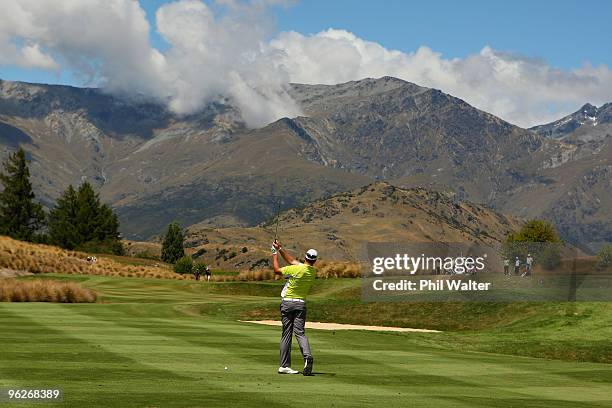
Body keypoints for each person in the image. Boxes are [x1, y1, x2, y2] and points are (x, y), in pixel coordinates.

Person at [272, 240, 317, 376]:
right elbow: (292, 261)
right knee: (300, 333)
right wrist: (280, 248)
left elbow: (277, 271)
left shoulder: (296, 269)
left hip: (287, 303)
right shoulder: (312, 272)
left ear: (305, 257)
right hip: (300, 304)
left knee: (286, 334)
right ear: (314, 261)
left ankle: (284, 366)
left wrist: (274, 254)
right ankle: (307, 356)